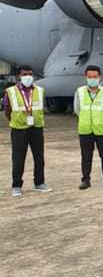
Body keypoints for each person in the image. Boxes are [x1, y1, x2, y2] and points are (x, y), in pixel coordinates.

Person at [3, 65, 51, 197]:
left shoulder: (40, 90)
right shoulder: (11, 91)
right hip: (19, 129)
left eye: (30, 74)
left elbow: (42, 106)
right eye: (24, 74)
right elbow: (7, 110)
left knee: (39, 157)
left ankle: (39, 183)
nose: (28, 77)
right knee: (18, 158)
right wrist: (16, 120)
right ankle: (17, 185)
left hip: (36, 127)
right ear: (19, 76)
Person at [74, 65, 103, 190]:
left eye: (95, 77)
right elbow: (77, 109)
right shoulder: (80, 91)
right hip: (85, 129)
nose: (92, 79)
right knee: (86, 156)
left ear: (99, 77)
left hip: (102, 129)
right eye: (90, 77)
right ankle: (85, 180)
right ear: (86, 77)